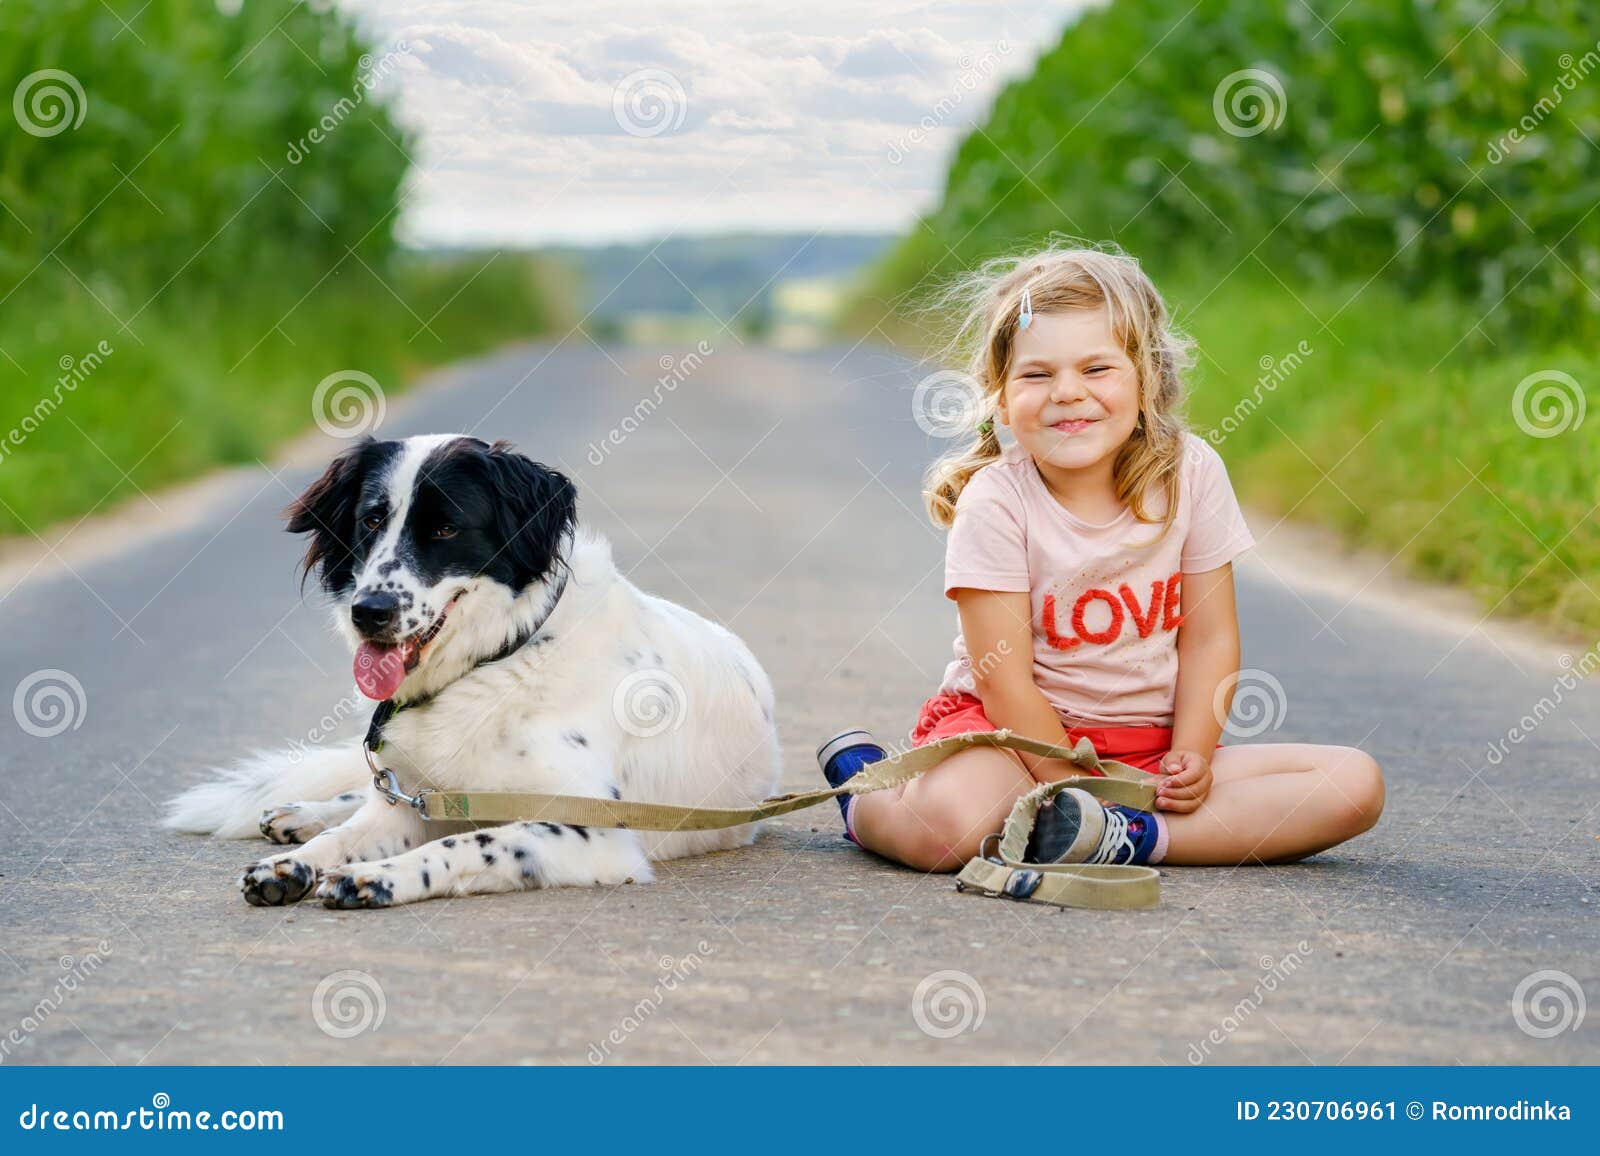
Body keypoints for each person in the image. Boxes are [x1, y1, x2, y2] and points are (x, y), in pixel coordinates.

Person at [818, 246, 1384, 873]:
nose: (1067, 393)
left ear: (1146, 381)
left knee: (1352, 785)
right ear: (1001, 399)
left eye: (1096, 369)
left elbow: (1210, 637)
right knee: (945, 831)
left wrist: (1192, 754)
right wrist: (1069, 782)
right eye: (1036, 375)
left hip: (1148, 748)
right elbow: (1002, 679)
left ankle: (1126, 837)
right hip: (1012, 737)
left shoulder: (1190, 473)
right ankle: (864, 792)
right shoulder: (998, 501)